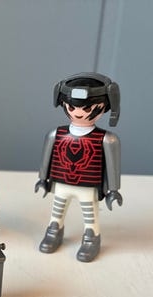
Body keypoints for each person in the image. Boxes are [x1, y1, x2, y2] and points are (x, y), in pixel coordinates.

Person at [35, 72, 121, 262]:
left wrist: (113, 190)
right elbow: (46, 157)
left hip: (88, 185)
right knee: (57, 211)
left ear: (105, 106)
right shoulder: (56, 134)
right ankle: (54, 231)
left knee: (90, 214)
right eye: (72, 107)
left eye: (87, 108)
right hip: (61, 182)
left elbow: (112, 164)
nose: (78, 112)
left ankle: (91, 238)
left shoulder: (106, 139)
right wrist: (42, 179)